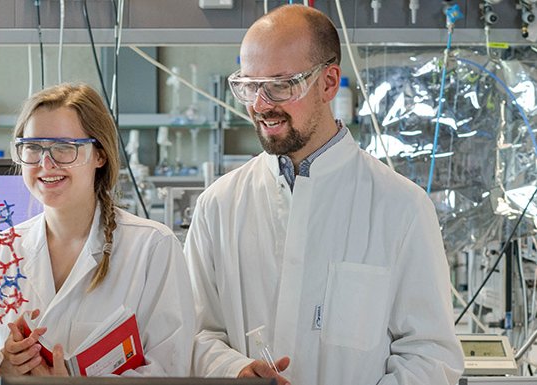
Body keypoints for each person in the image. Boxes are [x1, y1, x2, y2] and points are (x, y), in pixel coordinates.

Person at [185, 5, 464, 385]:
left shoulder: (402, 207)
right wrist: (232, 368)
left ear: (329, 82)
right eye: (250, 86)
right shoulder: (218, 204)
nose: (261, 105)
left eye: (281, 85)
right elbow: (195, 332)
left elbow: (430, 355)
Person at [0, 83, 195, 379]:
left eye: (64, 148)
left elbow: (171, 370)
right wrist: (2, 363)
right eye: (33, 147)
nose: (46, 163)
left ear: (100, 155)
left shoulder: (152, 247)